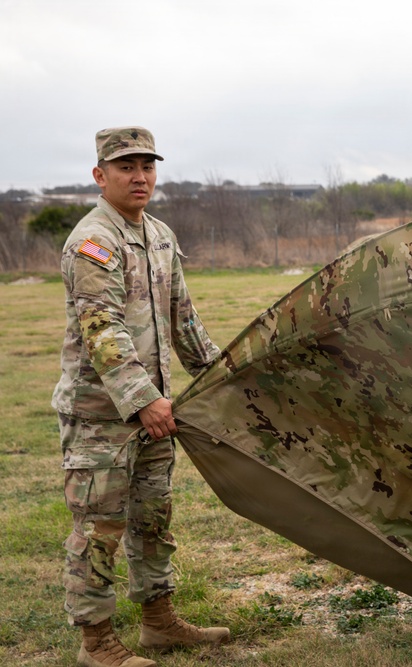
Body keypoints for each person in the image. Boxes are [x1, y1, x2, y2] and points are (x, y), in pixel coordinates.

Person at [52, 127, 229, 667]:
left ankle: (159, 623)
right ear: (100, 176)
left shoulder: (159, 236)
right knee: (100, 528)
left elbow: (185, 320)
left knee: (153, 518)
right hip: (101, 417)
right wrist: (142, 399)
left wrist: (222, 377)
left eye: (147, 166)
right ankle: (97, 644)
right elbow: (100, 329)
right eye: (126, 167)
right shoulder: (93, 241)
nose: (140, 176)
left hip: (156, 412)